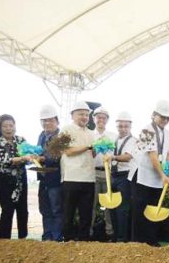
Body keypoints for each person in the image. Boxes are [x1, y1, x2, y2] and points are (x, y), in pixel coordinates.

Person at [129, 100, 169, 246]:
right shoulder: (147, 130)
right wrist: (163, 175)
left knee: (154, 207)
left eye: (168, 118)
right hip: (142, 175)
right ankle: (137, 241)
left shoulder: (167, 133)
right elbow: (153, 156)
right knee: (140, 209)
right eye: (162, 117)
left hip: (157, 176)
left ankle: (151, 240)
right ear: (154, 115)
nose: (165, 120)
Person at [60, 101, 96, 242]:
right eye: (81, 114)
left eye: (87, 115)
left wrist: (98, 149)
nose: (84, 117)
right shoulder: (66, 130)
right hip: (71, 177)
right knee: (69, 212)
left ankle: (84, 240)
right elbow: (68, 151)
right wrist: (88, 146)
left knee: (86, 213)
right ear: (72, 115)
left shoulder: (91, 133)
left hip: (89, 178)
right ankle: (67, 239)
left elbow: (92, 154)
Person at [0, 114, 31, 239]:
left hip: (20, 178)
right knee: (7, 209)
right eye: (5, 126)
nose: (8, 128)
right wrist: (23, 158)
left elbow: (28, 155)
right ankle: (3, 240)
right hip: (3, 179)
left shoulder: (21, 140)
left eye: (11, 125)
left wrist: (32, 157)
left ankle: (23, 237)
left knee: (23, 209)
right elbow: (4, 159)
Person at [108, 111, 137, 242]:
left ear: (130, 127)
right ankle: (115, 237)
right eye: (120, 126)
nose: (123, 129)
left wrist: (113, 157)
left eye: (126, 126)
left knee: (122, 208)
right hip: (113, 176)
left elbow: (127, 157)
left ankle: (122, 238)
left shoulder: (133, 141)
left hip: (125, 177)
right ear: (116, 126)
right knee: (112, 207)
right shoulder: (114, 140)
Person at [36, 105, 63, 241]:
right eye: (44, 120)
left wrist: (41, 158)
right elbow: (38, 151)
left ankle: (56, 237)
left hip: (55, 178)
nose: (47, 123)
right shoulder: (42, 135)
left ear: (57, 121)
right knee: (45, 209)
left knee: (56, 209)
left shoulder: (61, 136)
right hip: (43, 177)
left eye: (50, 120)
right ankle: (47, 236)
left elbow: (56, 156)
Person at [91, 106, 117, 240]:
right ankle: (88, 233)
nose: (101, 120)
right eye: (98, 117)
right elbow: (89, 155)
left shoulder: (113, 136)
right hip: (93, 173)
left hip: (108, 173)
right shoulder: (90, 135)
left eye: (104, 117)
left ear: (107, 120)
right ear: (94, 118)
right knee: (92, 204)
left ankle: (109, 233)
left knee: (108, 205)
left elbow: (116, 155)